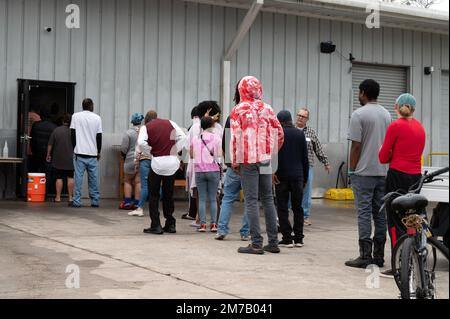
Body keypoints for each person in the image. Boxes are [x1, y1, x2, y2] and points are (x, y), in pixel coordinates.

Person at [230, 75, 284, 255]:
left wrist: (235, 162)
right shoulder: (267, 108)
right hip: (265, 159)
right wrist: (271, 151)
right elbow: (280, 133)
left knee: (251, 200)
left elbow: (235, 137)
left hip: (247, 159)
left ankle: (256, 243)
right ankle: (273, 242)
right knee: (268, 199)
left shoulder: (238, 109)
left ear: (241, 90)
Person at [345, 79, 391, 269]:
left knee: (364, 212)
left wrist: (351, 169)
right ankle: (379, 256)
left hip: (363, 173)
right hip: (382, 171)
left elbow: (356, 146)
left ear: (363, 93)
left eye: (359, 92)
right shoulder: (387, 114)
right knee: (380, 214)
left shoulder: (358, 114)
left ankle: (365, 255)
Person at [378, 93, 425, 276]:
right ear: (413, 108)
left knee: (395, 220)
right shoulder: (421, 128)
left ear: (396, 107)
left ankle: (399, 265)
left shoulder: (395, 126)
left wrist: (390, 155)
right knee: (412, 219)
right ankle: (413, 260)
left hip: (397, 176)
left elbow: (382, 157)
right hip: (415, 178)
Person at [139, 116, 186, 235]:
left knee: (154, 194)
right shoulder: (170, 122)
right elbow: (184, 137)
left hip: (157, 163)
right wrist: (174, 150)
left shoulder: (146, 127)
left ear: (147, 120)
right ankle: (170, 223)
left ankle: (156, 225)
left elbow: (140, 142)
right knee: (168, 193)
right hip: (172, 162)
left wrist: (150, 151)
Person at [215, 82, 250, 241]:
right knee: (250, 200)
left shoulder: (232, 116)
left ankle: (221, 230)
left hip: (233, 166)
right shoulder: (255, 117)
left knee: (228, 197)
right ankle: (245, 232)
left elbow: (225, 143)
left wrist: (230, 163)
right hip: (250, 166)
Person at [274, 110, 309, 248]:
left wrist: (272, 172)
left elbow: (273, 155)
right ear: (290, 120)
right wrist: (305, 177)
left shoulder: (278, 134)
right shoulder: (300, 134)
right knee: (297, 207)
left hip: (281, 176)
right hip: (297, 176)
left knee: (282, 207)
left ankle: (287, 238)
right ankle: (299, 239)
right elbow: (304, 158)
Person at [295, 108, 331, 226]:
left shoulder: (311, 132)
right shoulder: (291, 130)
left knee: (306, 191)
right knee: (290, 190)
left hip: (307, 166)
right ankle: (289, 213)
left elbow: (318, 149)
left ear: (307, 119)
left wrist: (326, 162)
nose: (300, 118)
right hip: (293, 165)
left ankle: (305, 216)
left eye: (303, 116)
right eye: (299, 115)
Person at [191, 116, 222, 232]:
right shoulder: (216, 137)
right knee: (213, 198)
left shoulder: (195, 138)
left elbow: (192, 155)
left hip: (199, 171)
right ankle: (214, 224)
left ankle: (203, 225)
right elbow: (219, 154)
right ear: (212, 125)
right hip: (213, 170)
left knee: (202, 198)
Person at [70, 98, 103, 208]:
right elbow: (99, 136)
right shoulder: (97, 118)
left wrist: (74, 147)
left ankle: (77, 201)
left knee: (78, 178)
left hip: (79, 153)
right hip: (92, 154)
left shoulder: (75, 116)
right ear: (91, 106)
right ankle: (94, 201)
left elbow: (73, 134)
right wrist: (98, 151)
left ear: (83, 105)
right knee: (93, 179)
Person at [129, 110, 158, 217]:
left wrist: (136, 161)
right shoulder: (158, 128)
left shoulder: (144, 128)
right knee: (156, 184)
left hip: (145, 159)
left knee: (145, 186)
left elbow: (139, 146)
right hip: (156, 159)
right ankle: (154, 208)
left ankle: (140, 208)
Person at [46, 113, 74, 205]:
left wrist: (48, 154)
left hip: (58, 158)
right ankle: (70, 197)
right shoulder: (74, 132)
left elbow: (50, 144)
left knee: (59, 178)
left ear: (63, 121)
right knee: (70, 177)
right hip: (70, 158)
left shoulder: (56, 130)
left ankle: (58, 197)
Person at [119, 113, 144, 210]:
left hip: (129, 160)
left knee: (127, 180)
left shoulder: (128, 133)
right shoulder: (144, 132)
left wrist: (124, 156)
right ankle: (137, 203)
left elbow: (124, 149)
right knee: (138, 182)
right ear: (140, 121)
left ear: (132, 122)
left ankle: (127, 202)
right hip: (141, 159)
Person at [181, 106, 201, 222]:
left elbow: (187, 145)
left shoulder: (193, 126)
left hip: (194, 161)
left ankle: (192, 213)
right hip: (211, 163)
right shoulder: (214, 126)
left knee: (193, 189)